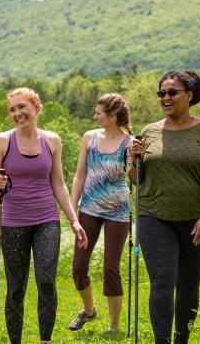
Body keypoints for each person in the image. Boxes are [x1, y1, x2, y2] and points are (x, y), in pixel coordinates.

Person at [0, 88, 88, 344]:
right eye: (12, 109)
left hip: (46, 221)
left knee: (46, 280)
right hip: (13, 223)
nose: (17, 113)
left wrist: (73, 220)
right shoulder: (2, 140)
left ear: (36, 107)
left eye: (22, 107)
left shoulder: (51, 140)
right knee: (16, 286)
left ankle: (45, 340)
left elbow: (59, 184)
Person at [128, 71, 200, 344]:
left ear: (189, 95)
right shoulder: (149, 131)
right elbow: (135, 179)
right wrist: (133, 160)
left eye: (172, 92)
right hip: (154, 216)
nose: (165, 98)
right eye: (161, 93)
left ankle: (182, 338)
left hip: (196, 219)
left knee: (189, 282)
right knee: (161, 282)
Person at [68, 93, 133, 333]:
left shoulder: (130, 142)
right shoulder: (90, 137)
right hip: (89, 209)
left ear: (112, 116)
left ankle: (114, 327)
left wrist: (136, 159)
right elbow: (79, 175)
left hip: (118, 211)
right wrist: (72, 209)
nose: (95, 116)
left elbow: (135, 177)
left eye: (99, 113)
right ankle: (88, 311)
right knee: (78, 267)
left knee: (110, 268)